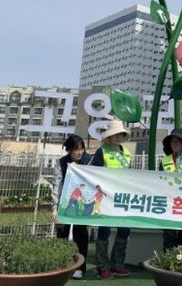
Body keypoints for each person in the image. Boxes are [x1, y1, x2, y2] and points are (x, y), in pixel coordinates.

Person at [91, 117, 132, 280]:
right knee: (104, 230)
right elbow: (95, 174)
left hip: (122, 197)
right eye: (115, 134)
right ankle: (102, 266)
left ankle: (117, 264)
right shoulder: (102, 151)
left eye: (121, 134)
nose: (118, 137)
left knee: (125, 230)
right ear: (109, 136)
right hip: (105, 197)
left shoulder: (127, 153)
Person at [51, 134, 92, 280]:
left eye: (82, 149)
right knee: (62, 233)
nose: (80, 152)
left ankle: (80, 268)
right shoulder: (61, 163)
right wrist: (55, 208)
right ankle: (62, 265)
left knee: (81, 234)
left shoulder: (89, 161)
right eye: (76, 149)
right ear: (69, 150)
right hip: (65, 201)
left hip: (82, 202)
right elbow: (57, 186)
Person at [159, 128, 182, 250]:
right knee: (169, 236)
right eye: (172, 141)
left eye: (177, 141)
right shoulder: (164, 160)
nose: (175, 143)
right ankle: (167, 260)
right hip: (169, 203)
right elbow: (159, 181)